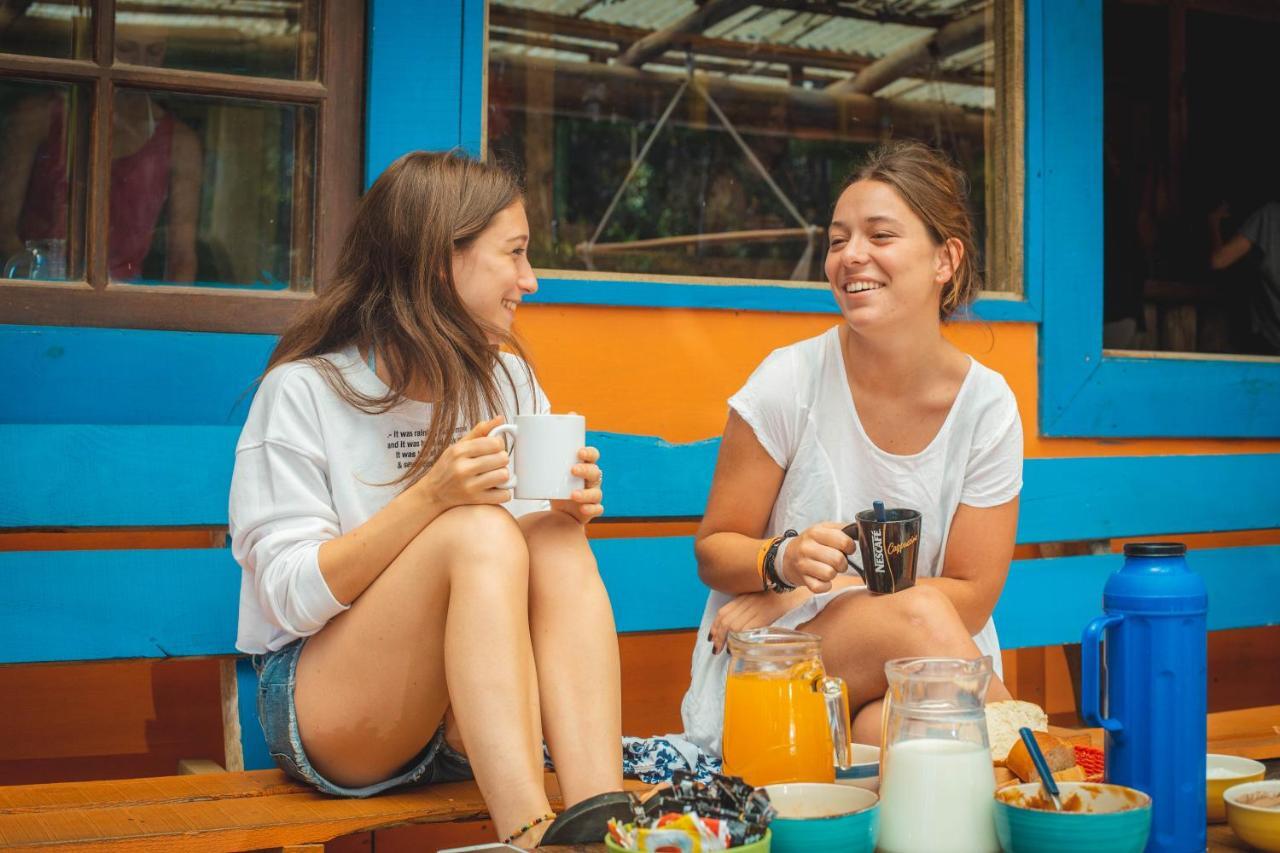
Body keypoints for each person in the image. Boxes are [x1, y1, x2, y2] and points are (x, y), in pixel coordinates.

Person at [229, 151, 623, 848]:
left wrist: (563, 513)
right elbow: (289, 597)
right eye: (515, 253)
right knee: (475, 531)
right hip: (339, 716)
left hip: (473, 724)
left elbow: (530, 571)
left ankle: (599, 823)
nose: (529, 280)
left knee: (554, 540)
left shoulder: (507, 381)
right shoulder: (303, 393)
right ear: (444, 261)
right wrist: (431, 499)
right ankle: (532, 837)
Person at [682, 140, 1023, 753]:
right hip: (783, 669)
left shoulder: (987, 406)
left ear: (945, 259)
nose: (850, 256)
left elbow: (972, 596)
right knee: (918, 618)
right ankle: (1057, 776)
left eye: (880, 236)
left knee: (900, 738)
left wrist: (821, 586)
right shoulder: (790, 379)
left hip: (926, 670)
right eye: (838, 240)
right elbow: (715, 550)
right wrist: (780, 564)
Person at [0, 26, 201, 282]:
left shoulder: (181, 144)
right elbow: (4, 226)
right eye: (125, 48)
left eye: (154, 51)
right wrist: (41, 281)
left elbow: (182, 257)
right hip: (41, 285)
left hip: (122, 299)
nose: (140, 63)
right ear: (95, 48)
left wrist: (169, 315)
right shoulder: (37, 118)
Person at [1207, 200, 1280, 354]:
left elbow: (1218, 260)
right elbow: (1219, 261)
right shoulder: (1270, 215)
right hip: (1270, 340)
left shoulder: (1270, 214)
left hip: (1269, 341)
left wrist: (1213, 221)